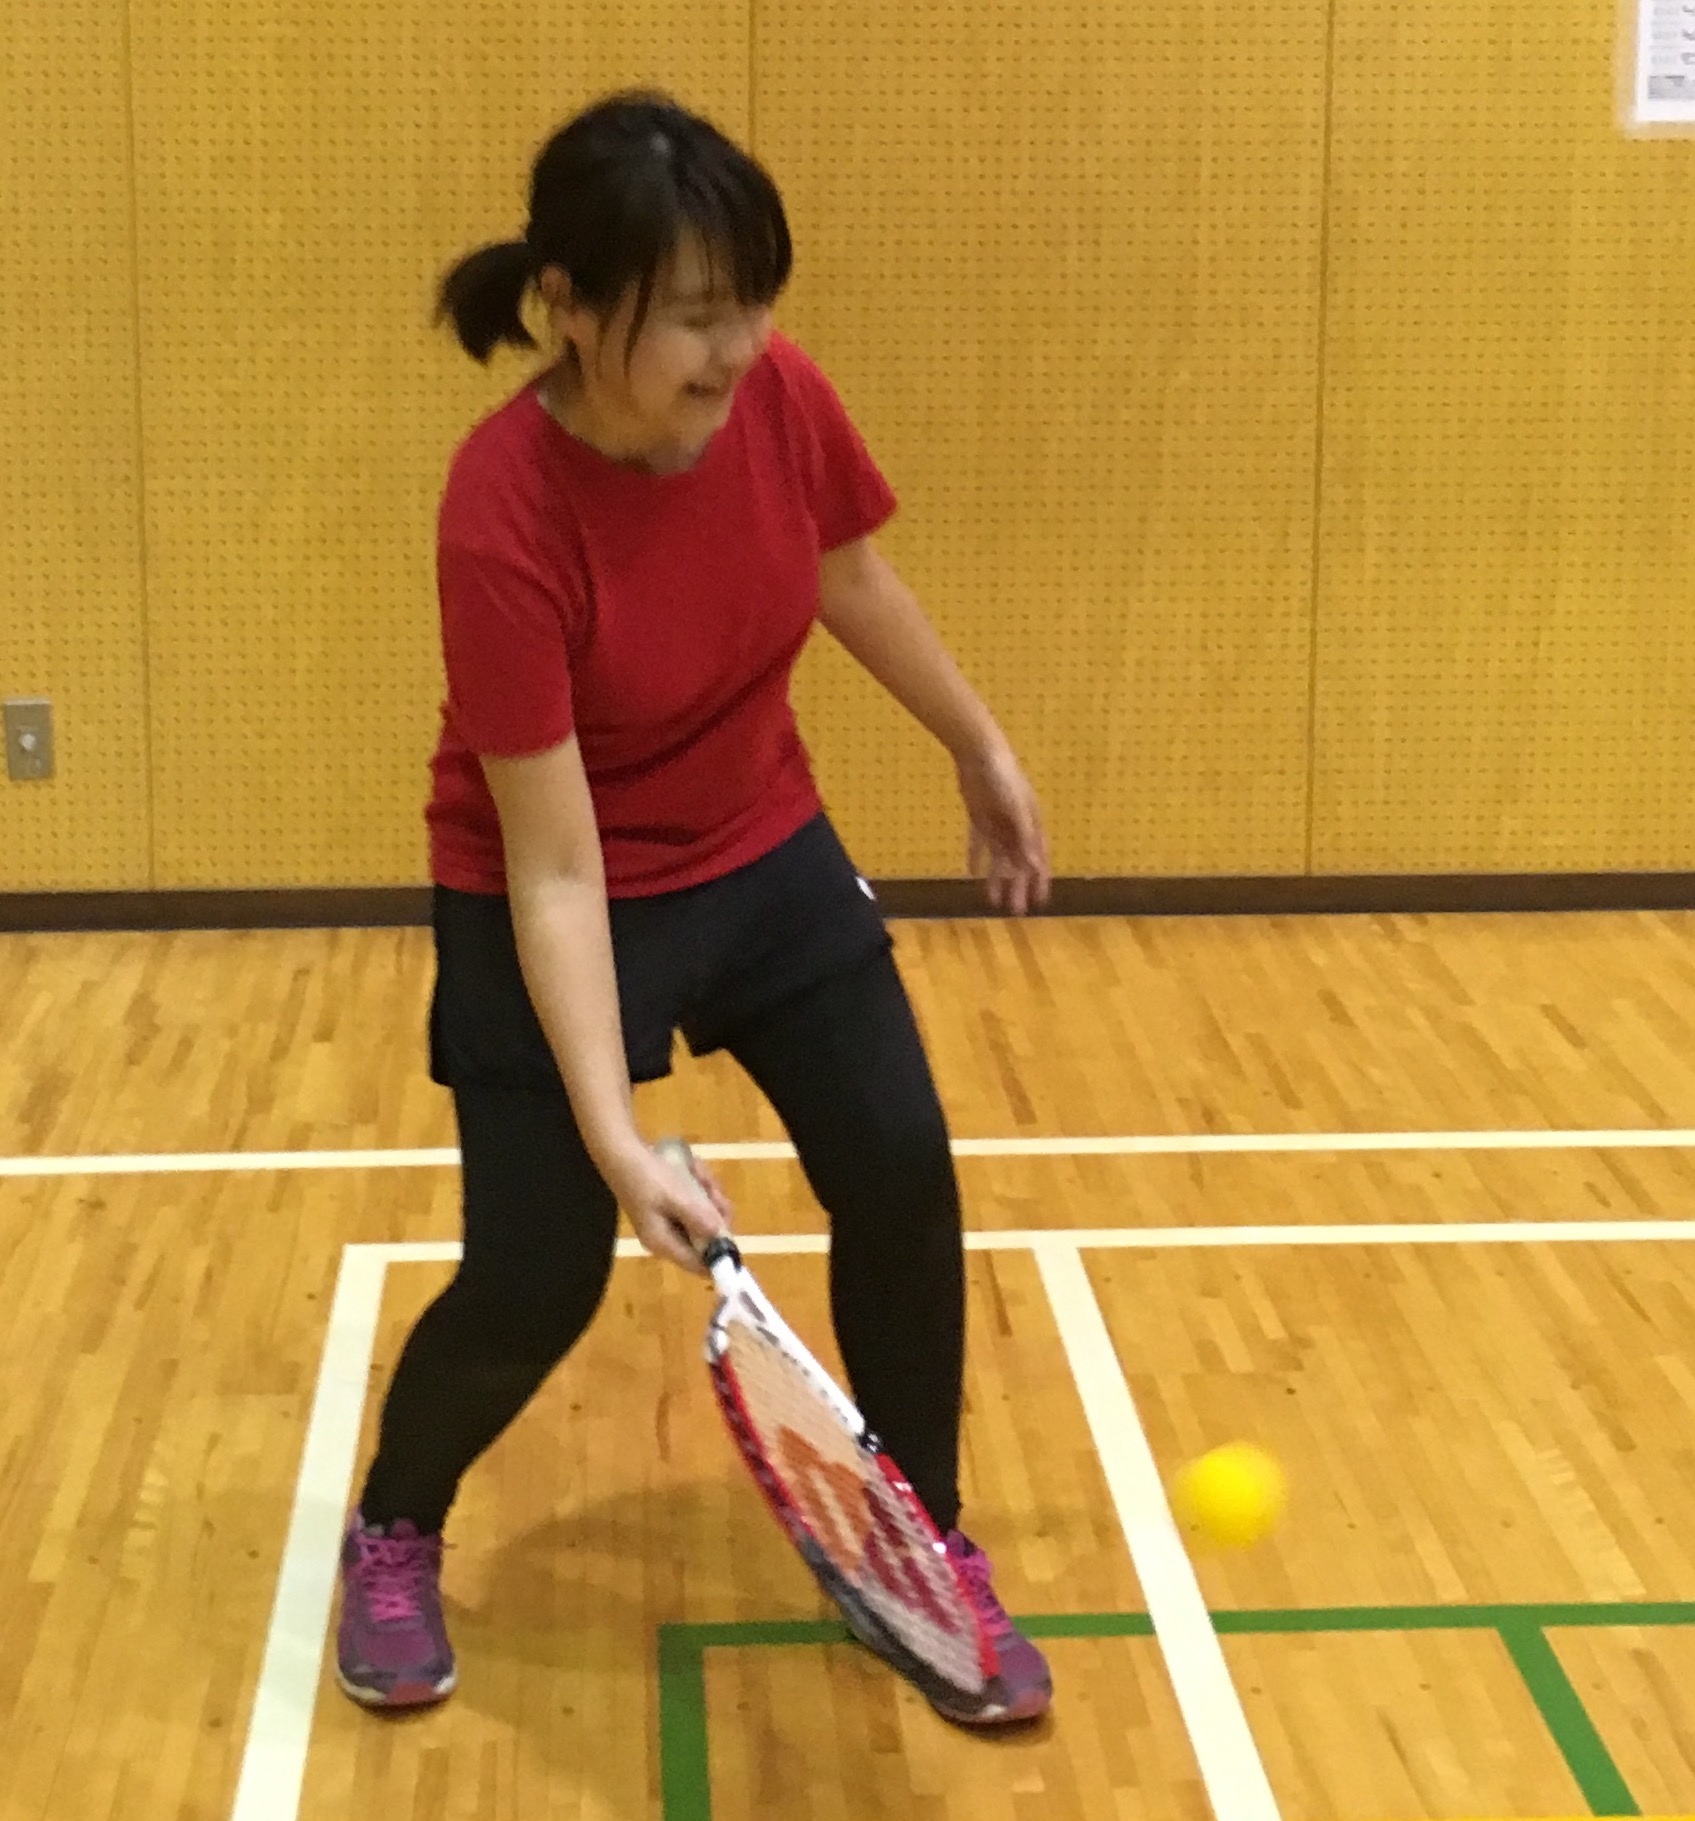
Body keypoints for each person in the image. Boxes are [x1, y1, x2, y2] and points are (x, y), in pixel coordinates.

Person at [334, 90, 1054, 1729]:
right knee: (539, 1273)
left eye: (753, 304)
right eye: (694, 318)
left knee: (899, 1167)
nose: (737, 350)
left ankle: (913, 1544)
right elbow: (556, 863)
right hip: (559, 880)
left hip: (759, 838)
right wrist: (617, 1129)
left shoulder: (778, 399)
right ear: (572, 310)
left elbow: (846, 572)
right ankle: (397, 1520)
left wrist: (980, 746)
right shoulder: (502, 511)